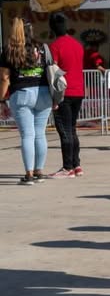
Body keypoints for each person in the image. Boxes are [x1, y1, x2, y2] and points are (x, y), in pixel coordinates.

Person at [0, 19, 52, 185]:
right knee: (40, 133)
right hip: (44, 93)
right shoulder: (42, 48)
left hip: (21, 93)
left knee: (27, 135)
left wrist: (1, 98)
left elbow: (4, 78)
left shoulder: (9, 50)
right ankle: (39, 171)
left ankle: (28, 174)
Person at [48, 12, 88, 177]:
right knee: (71, 129)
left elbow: (54, 72)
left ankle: (67, 168)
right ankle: (76, 165)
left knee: (64, 130)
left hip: (64, 92)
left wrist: (53, 97)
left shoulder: (55, 46)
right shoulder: (78, 45)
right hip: (78, 91)